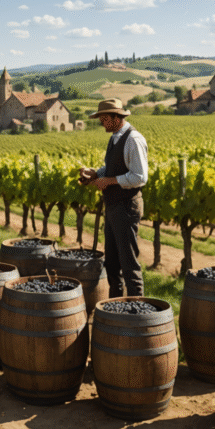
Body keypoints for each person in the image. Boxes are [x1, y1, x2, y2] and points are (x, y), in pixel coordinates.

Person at [80, 98, 149, 298]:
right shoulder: (115, 137)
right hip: (114, 205)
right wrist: (96, 174)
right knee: (111, 261)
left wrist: (108, 181)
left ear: (115, 117)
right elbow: (112, 168)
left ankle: (136, 304)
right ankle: (115, 303)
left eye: (103, 118)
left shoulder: (133, 139)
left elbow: (139, 177)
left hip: (126, 206)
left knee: (128, 261)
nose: (101, 122)